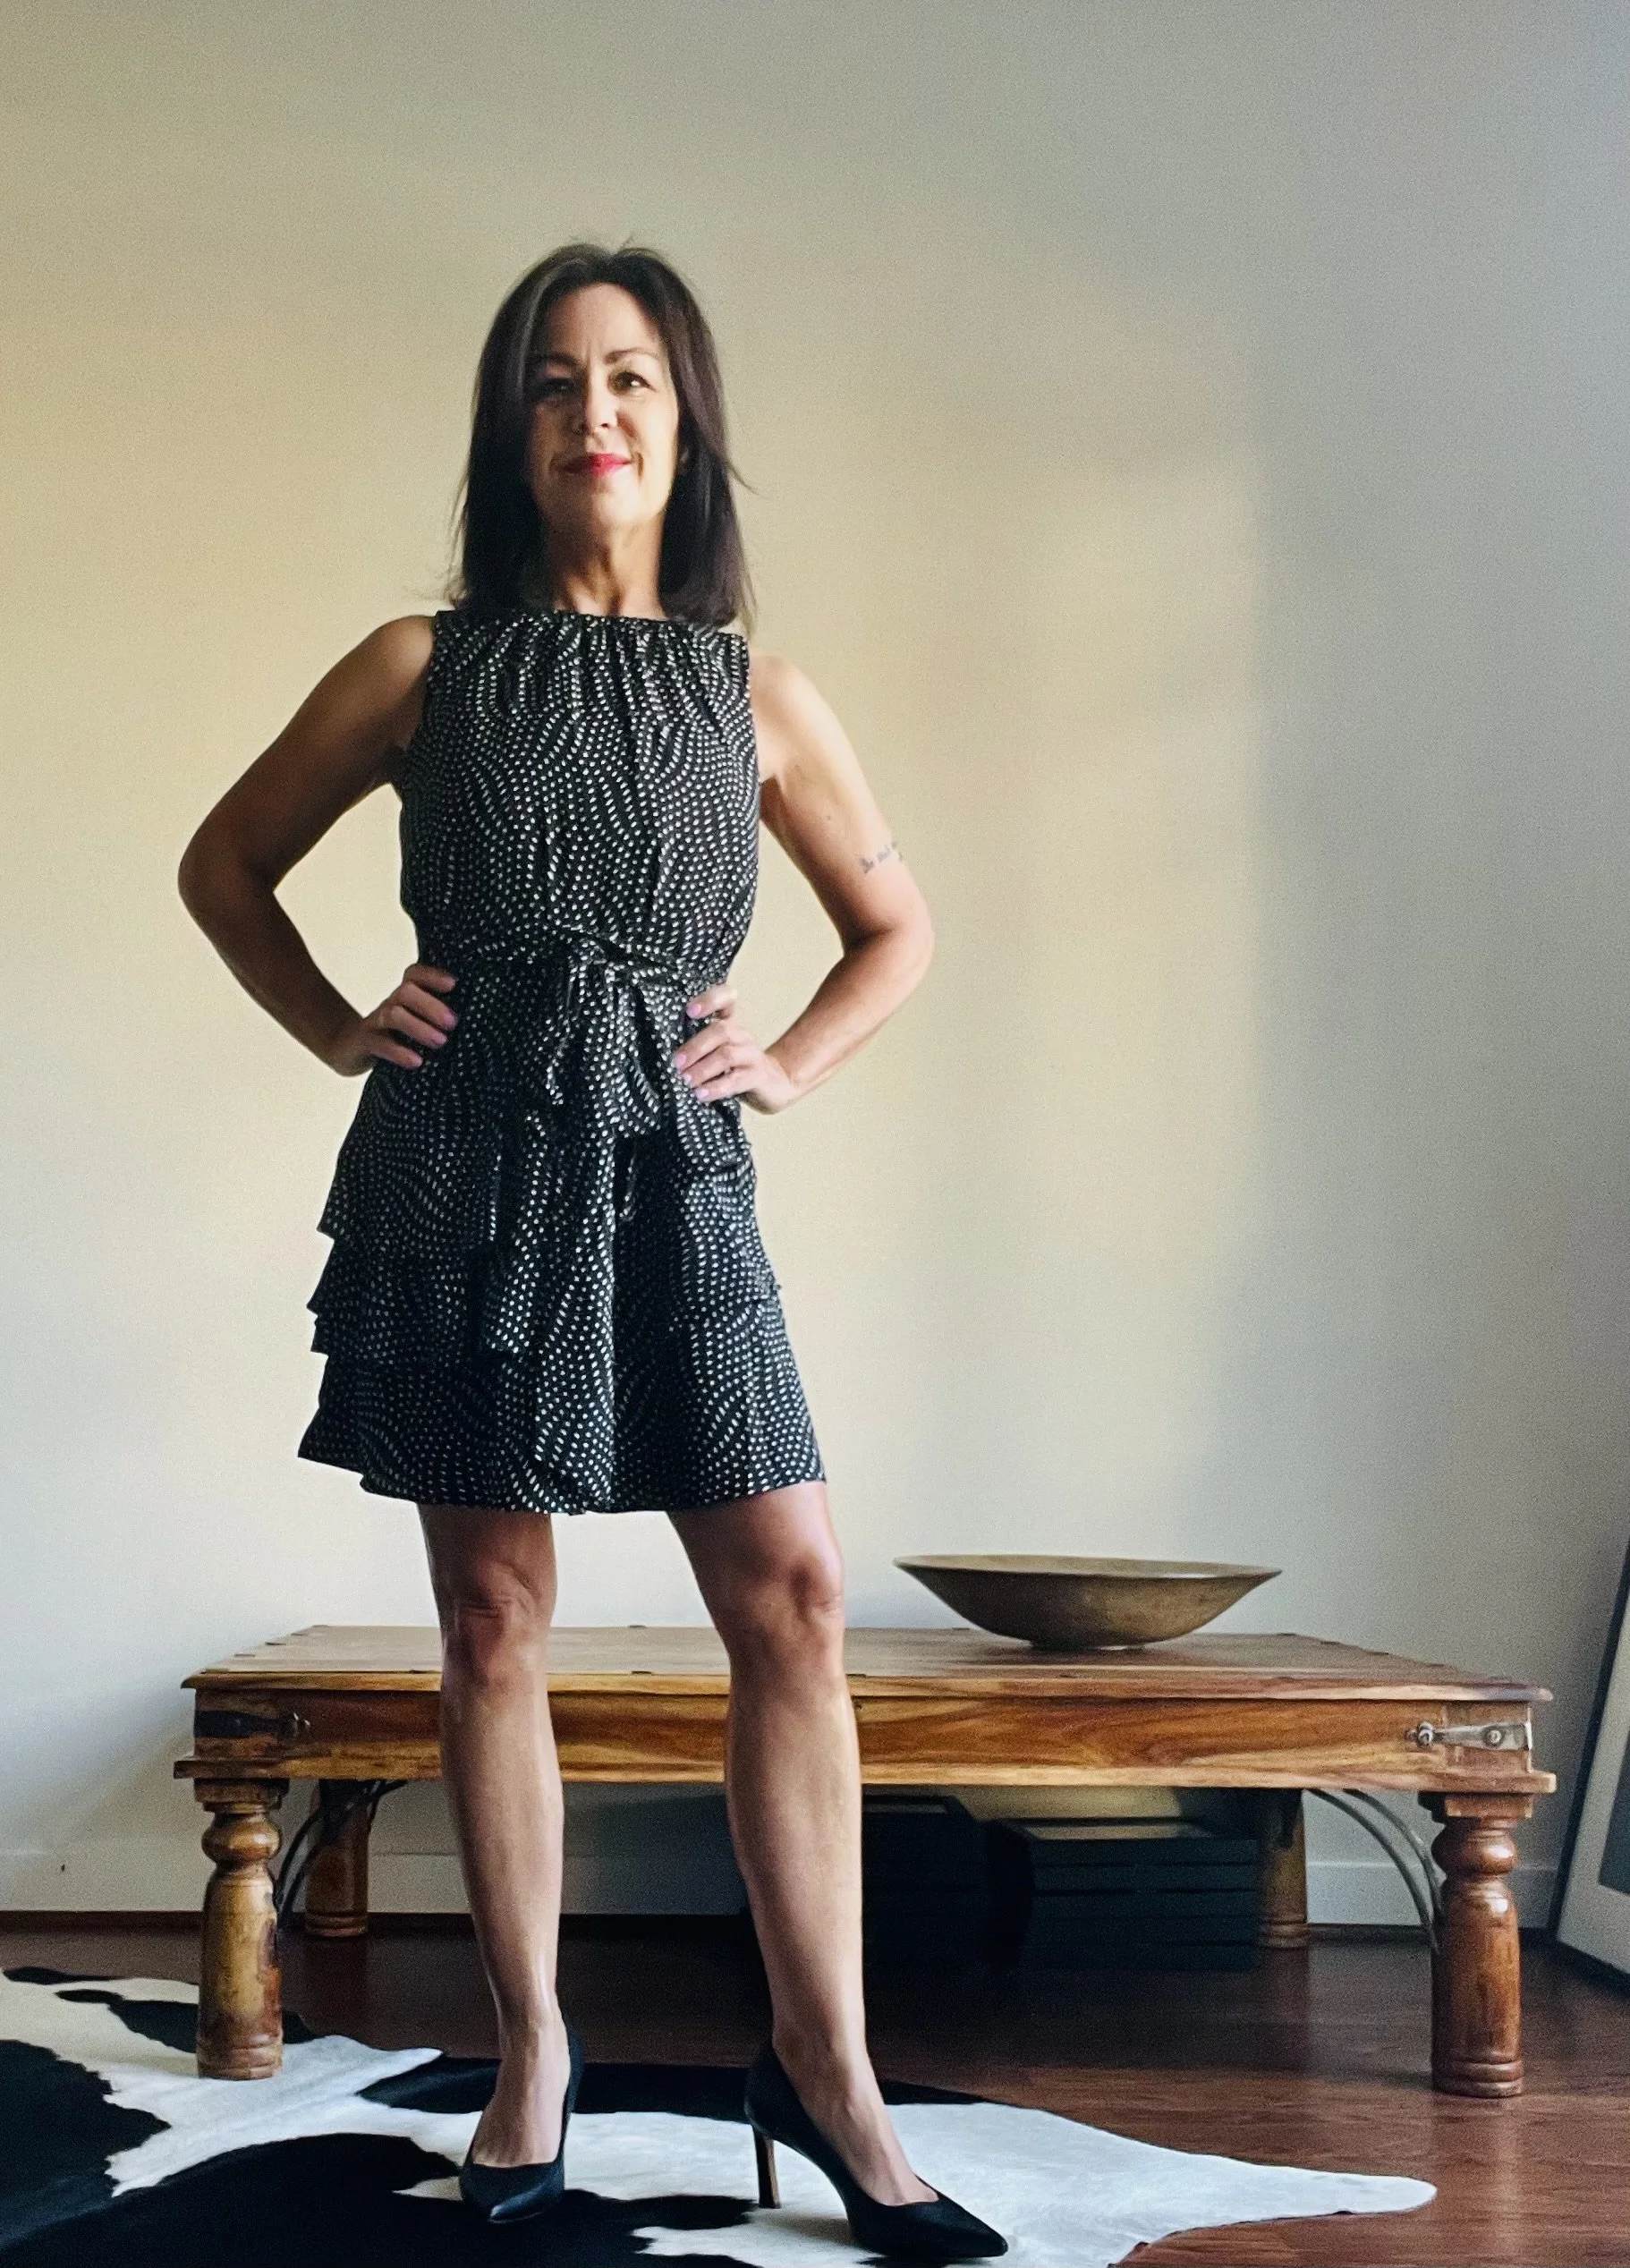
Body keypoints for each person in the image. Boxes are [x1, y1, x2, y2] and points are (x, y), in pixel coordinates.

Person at [177, 242, 1006, 2260]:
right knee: (491, 1614)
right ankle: (531, 2052)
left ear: (684, 419)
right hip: (463, 1163)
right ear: (512, 429)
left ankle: (827, 2072)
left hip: (668, 1164)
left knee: (792, 1595)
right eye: (552, 382)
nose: (593, 413)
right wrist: (336, 1022)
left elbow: (895, 930)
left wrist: (785, 1060)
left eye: (628, 376)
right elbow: (225, 863)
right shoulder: (419, 662)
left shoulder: (757, 693)